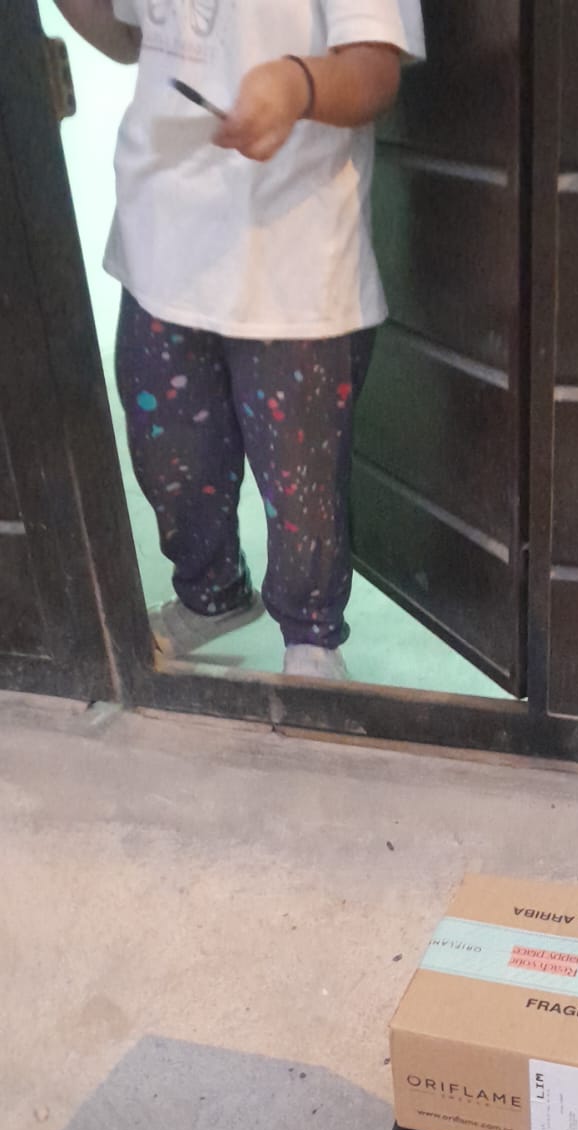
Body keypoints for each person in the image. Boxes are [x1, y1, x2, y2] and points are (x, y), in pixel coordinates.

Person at [52, 0, 425, 680]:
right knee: (169, 459)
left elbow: (375, 72)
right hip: (160, 241)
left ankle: (311, 638)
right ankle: (211, 593)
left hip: (294, 259)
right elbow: (128, 36)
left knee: (303, 487)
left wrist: (297, 83)